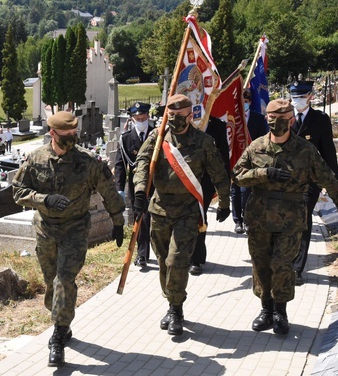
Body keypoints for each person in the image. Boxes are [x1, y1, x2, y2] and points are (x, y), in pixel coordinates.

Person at [232, 99, 338, 335]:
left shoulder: (305, 150)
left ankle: (280, 311)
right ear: (267, 120)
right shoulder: (256, 147)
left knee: (281, 265)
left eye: (284, 119)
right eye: (274, 119)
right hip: (259, 218)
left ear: (291, 120)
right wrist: (263, 173)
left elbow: (328, 179)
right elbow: (238, 176)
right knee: (261, 266)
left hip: (290, 220)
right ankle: (266, 309)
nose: (279, 123)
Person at [12, 111, 125, 367]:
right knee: (51, 284)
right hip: (45, 230)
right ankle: (62, 321)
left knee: (64, 279)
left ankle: (58, 335)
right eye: (66, 136)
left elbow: (109, 190)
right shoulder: (35, 159)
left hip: (75, 229)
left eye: (74, 134)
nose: (72, 140)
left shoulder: (87, 162)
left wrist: (118, 222)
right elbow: (18, 190)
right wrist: (43, 200)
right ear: (52, 134)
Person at [133, 94, 230, 337]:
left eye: (180, 116)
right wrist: (138, 192)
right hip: (159, 210)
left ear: (191, 115)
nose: (175, 121)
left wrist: (225, 201)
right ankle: (170, 302)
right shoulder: (158, 138)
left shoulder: (203, 141)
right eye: (171, 116)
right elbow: (142, 163)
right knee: (164, 260)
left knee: (177, 261)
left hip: (187, 211)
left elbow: (218, 171)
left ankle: (177, 309)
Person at [289, 80, 338, 286]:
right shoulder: (284, 116)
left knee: (303, 219)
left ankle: (297, 268)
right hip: (285, 181)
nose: (297, 100)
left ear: (310, 96)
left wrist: (334, 183)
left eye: (301, 96)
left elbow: (328, 151)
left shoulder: (320, 120)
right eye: (294, 96)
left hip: (309, 181)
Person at [114, 102, 153, 267]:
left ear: (148, 117)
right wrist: (119, 189)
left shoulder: (157, 134)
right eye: (138, 118)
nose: (141, 120)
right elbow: (120, 165)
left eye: (143, 118)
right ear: (132, 119)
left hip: (157, 183)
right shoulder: (126, 139)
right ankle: (142, 254)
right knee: (141, 219)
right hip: (137, 186)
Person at [190, 114, 230, 275]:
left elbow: (223, 158)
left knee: (199, 217)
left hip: (205, 183)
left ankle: (196, 259)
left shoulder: (217, 126)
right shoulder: (180, 120)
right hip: (180, 181)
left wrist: (223, 195)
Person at [230, 88, 269, 234]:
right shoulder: (233, 117)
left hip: (252, 160)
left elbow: (264, 138)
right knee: (235, 191)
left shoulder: (258, 118)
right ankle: (237, 220)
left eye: (245, 102)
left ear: (250, 102)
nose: (243, 104)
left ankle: (246, 219)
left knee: (246, 190)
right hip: (235, 158)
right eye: (241, 102)